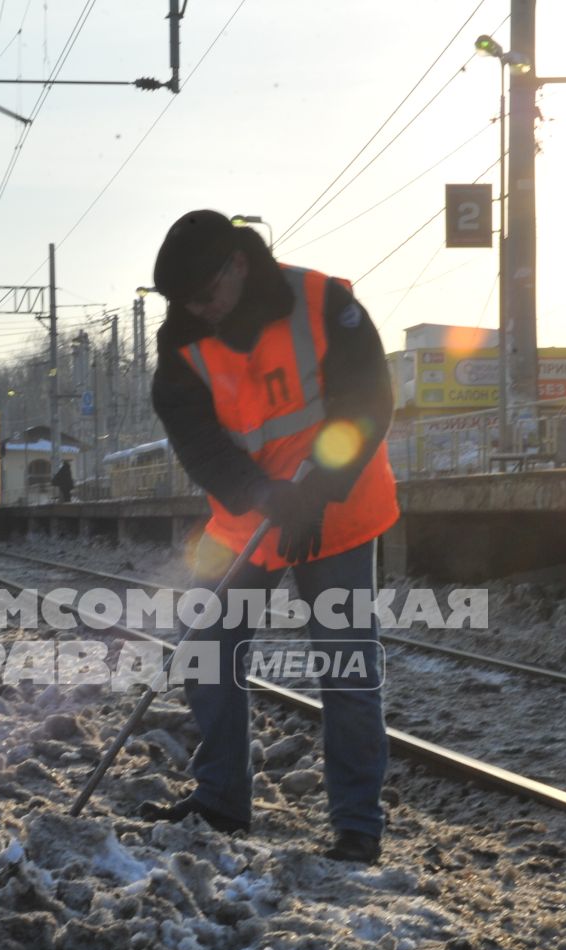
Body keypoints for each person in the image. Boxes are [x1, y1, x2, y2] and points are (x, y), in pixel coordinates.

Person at [138, 209, 398, 865]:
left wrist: (316, 489)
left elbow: (368, 401)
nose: (199, 310)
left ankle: (357, 827)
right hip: (249, 517)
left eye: (206, 295)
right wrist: (262, 495)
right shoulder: (181, 349)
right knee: (207, 644)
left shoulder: (322, 303)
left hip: (335, 508)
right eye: (184, 302)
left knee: (346, 664)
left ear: (239, 265)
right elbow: (201, 447)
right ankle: (221, 799)